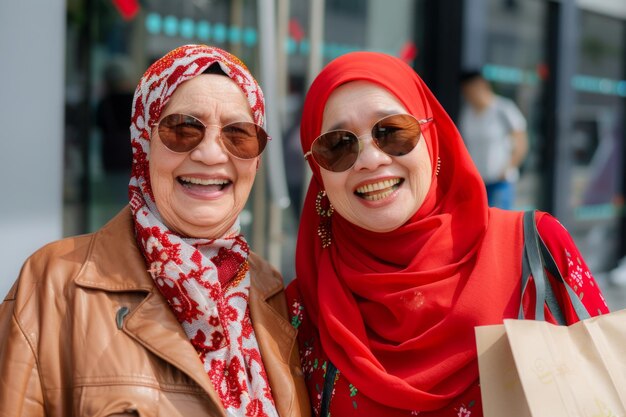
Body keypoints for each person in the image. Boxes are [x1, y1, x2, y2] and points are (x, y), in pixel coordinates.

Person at [286, 52, 609, 416]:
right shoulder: (301, 307)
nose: (370, 159)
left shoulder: (534, 247)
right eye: (339, 145)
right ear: (319, 172)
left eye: (392, 131)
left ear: (431, 137)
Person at [0, 45, 310, 417]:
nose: (211, 154)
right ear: (143, 141)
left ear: (257, 159)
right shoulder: (56, 282)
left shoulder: (269, 290)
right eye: (183, 129)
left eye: (238, 134)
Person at [458, 70, 529, 209]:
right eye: (465, 92)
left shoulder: (503, 108)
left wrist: (509, 167)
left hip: (501, 182)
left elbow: (522, 142)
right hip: (478, 182)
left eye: (470, 90)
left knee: (499, 223)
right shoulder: (467, 113)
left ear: (482, 86)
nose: (468, 95)